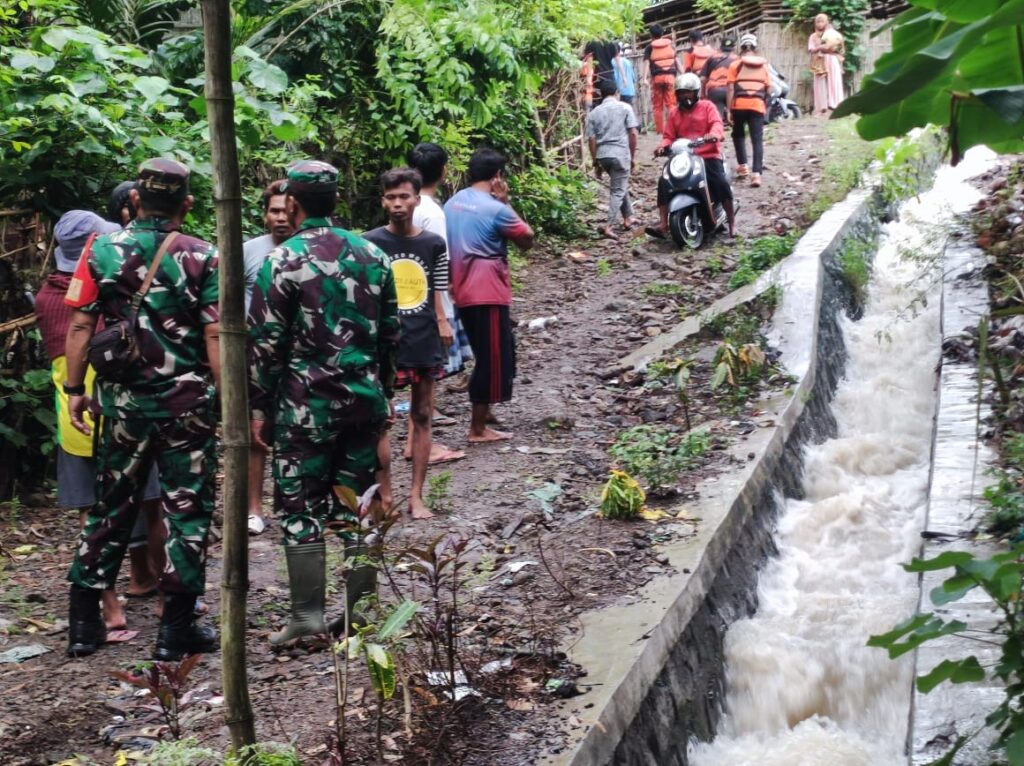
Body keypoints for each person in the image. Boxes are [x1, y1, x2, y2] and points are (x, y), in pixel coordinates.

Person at [63, 158, 220, 660]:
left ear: (135, 200)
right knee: (187, 510)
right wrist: (230, 400)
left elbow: (81, 326)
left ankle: (84, 625)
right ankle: (176, 631)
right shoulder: (203, 256)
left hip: (125, 407)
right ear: (187, 204)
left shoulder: (101, 249)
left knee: (111, 506)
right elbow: (215, 332)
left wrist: (73, 389)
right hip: (188, 407)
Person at [248, 159, 399, 645]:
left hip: (303, 407)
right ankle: (362, 613)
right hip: (363, 401)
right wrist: (385, 397)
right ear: (336, 201)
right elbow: (390, 337)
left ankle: (306, 618)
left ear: (291, 203)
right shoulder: (373, 255)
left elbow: (264, 343)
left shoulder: (281, 260)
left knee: (300, 507)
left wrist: (258, 406)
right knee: (355, 504)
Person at [36, 211, 162, 632]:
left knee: (93, 512)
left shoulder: (45, 297)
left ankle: (110, 605)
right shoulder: (97, 297)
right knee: (145, 499)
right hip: (115, 407)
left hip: (72, 416)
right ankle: (148, 587)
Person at [365, 169, 455, 520]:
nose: (398, 204)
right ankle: (385, 495)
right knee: (380, 419)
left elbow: (437, 288)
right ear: (383, 201)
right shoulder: (370, 242)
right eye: (391, 197)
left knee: (422, 414)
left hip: (422, 336)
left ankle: (417, 496)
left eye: (404, 196)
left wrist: (443, 321)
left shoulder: (432, 243)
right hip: (383, 341)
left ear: (418, 199)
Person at [444, 149, 534, 443]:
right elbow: (527, 239)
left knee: (494, 350)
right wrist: (506, 203)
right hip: (488, 291)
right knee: (492, 359)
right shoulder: (495, 208)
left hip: (461, 288)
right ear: (497, 176)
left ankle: (487, 412)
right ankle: (478, 428)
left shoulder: (453, 203)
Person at [242, 179, 294, 536]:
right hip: (255, 356)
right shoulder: (247, 251)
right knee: (254, 433)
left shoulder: (311, 248)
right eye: (274, 210)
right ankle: (253, 508)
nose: (281, 218)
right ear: (264, 215)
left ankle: (292, 503)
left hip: (300, 356)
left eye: (287, 211)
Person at [646, 73, 736, 240]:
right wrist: (662, 147)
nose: (685, 96)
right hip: (683, 157)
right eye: (681, 93)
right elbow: (668, 136)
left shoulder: (708, 107)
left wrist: (713, 134)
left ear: (696, 92)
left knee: (720, 182)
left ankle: (731, 223)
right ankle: (663, 224)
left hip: (708, 155)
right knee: (664, 181)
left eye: (688, 92)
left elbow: (717, 124)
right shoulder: (674, 113)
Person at [586, 79, 640, 240]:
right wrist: (632, 155)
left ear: (601, 95)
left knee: (619, 184)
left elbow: (591, 139)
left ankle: (628, 217)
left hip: (603, 155)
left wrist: (595, 161)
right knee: (618, 189)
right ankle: (609, 225)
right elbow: (633, 133)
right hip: (620, 153)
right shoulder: (625, 107)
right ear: (617, 93)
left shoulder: (594, 113)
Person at [728, 33, 771, 188]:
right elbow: (769, 88)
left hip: (739, 105)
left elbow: (731, 89)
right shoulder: (764, 66)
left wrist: (729, 109)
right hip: (757, 105)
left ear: (741, 48)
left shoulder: (735, 65)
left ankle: (743, 165)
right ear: (755, 48)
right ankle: (756, 175)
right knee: (757, 139)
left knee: (738, 135)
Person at [643, 24, 683, 135]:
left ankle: (660, 131)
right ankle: (674, 128)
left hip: (657, 79)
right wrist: (683, 73)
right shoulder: (670, 45)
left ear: (651, 35)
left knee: (657, 106)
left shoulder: (649, 47)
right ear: (662, 33)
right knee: (671, 104)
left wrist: (645, 78)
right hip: (670, 78)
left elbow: (646, 62)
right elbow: (677, 60)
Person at [809, 13, 845, 115]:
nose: (820, 24)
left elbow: (840, 49)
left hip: (832, 59)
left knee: (834, 81)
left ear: (827, 22)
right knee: (819, 83)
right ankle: (822, 107)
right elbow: (811, 49)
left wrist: (830, 46)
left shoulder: (834, 35)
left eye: (822, 21)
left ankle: (835, 105)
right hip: (819, 61)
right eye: (818, 22)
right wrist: (820, 47)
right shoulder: (813, 36)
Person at [701, 36, 738, 122]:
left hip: (714, 90)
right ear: (734, 48)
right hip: (731, 91)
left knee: (717, 119)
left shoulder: (712, 58)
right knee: (735, 120)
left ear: (720, 48)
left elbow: (703, 79)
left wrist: (703, 94)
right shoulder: (737, 59)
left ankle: (718, 130)